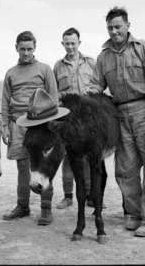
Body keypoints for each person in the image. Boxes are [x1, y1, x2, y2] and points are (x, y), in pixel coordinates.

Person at [89, 6, 145, 237]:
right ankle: (134, 215)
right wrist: (90, 95)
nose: (114, 31)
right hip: (120, 115)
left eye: (118, 26)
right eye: (110, 28)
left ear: (127, 26)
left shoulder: (143, 48)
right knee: (125, 170)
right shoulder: (103, 56)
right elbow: (97, 84)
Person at [1, 31, 58, 225]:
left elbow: (53, 98)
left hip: (40, 125)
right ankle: (22, 206)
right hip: (17, 123)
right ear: (16, 47)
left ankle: (46, 209)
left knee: (43, 166)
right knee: (22, 166)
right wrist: (4, 126)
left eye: (29, 49)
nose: (26, 53)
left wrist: (51, 127)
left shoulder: (45, 69)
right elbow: (5, 101)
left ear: (35, 48)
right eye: (22, 49)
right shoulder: (10, 72)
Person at [53, 27, 96, 209]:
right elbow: (54, 94)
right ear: (62, 44)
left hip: (87, 118)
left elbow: (99, 87)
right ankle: (68, 195)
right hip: (67, 119)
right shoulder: (58, 66)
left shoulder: (91, 63)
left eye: (73, 43)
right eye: (67, 43)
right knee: (68, 157)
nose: (70, 47)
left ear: (79, 43)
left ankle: (89, 195)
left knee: (88, 156)